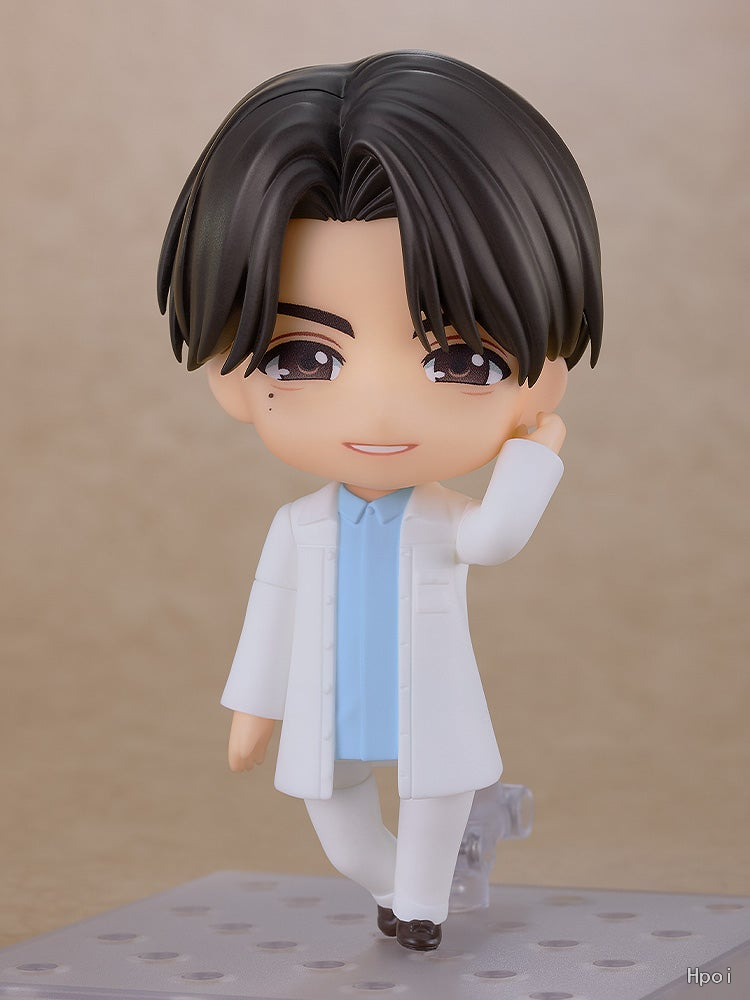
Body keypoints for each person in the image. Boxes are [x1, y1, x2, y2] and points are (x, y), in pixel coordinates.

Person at [158, 51, 602, 951]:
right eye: (303, 358)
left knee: (436, 799)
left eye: (460, 362)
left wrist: (532, 458)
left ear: (542, 378)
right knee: (340, 823)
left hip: (430, 701)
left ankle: (423, 905)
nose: (379, 411)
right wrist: (255, 707)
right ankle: (398, 883)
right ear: (230, 378)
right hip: (331, 704)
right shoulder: (299, 528)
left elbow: (495, 539)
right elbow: (270, 615)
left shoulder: (442, 520)